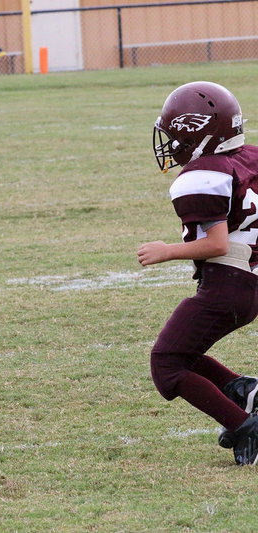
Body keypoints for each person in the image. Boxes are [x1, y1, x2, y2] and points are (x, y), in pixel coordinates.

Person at [139, 81, 258, 466]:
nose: (171, 143)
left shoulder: (204, 175)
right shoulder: (249, 158)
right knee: (182, 353)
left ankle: (245, 426)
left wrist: (166, 251)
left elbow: (217, 244)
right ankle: (243, 389)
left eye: (175, 133)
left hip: (229, 283)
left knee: (166, 365)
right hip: (250, 279)